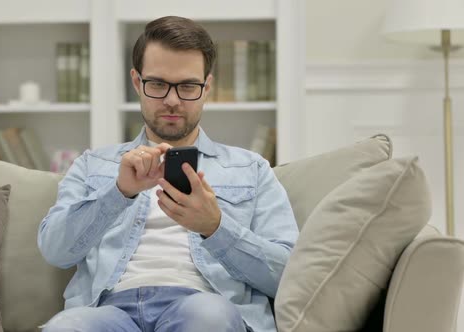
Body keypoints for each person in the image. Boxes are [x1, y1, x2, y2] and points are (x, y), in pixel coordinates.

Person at [38, 16, 298, 332]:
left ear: (207, 88)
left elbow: (290, 276)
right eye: (158, 84)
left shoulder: (251, 169)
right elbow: (55, 250)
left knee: (208, 317)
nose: (172, 100)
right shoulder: (94, 164)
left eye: (187, 86)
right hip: (106, 311)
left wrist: (215, 228)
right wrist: (118, 193)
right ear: (137, 82)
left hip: (202, 306)